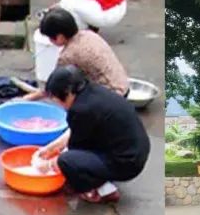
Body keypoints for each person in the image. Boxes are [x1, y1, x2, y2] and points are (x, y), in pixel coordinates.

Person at [33, 65, 149, 204]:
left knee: (66, 161)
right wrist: (50, 148)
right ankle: (101, 175)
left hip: (126, 164)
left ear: (67, 93)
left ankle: (103, 190)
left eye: (56, 99)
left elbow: (74, 150)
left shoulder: (80, 110)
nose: (58, 103)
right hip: (136, 152)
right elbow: (76, 131)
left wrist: (48, 165)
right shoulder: (93, 92)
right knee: (72, 155)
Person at [25, 7, 128, 97]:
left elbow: (53, 87)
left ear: (60, 37)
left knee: (67, 98)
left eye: (50, 38)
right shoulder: (88, 34)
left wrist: (28, 98)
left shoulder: (68, 56)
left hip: (114, 95)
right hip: (123, 85)